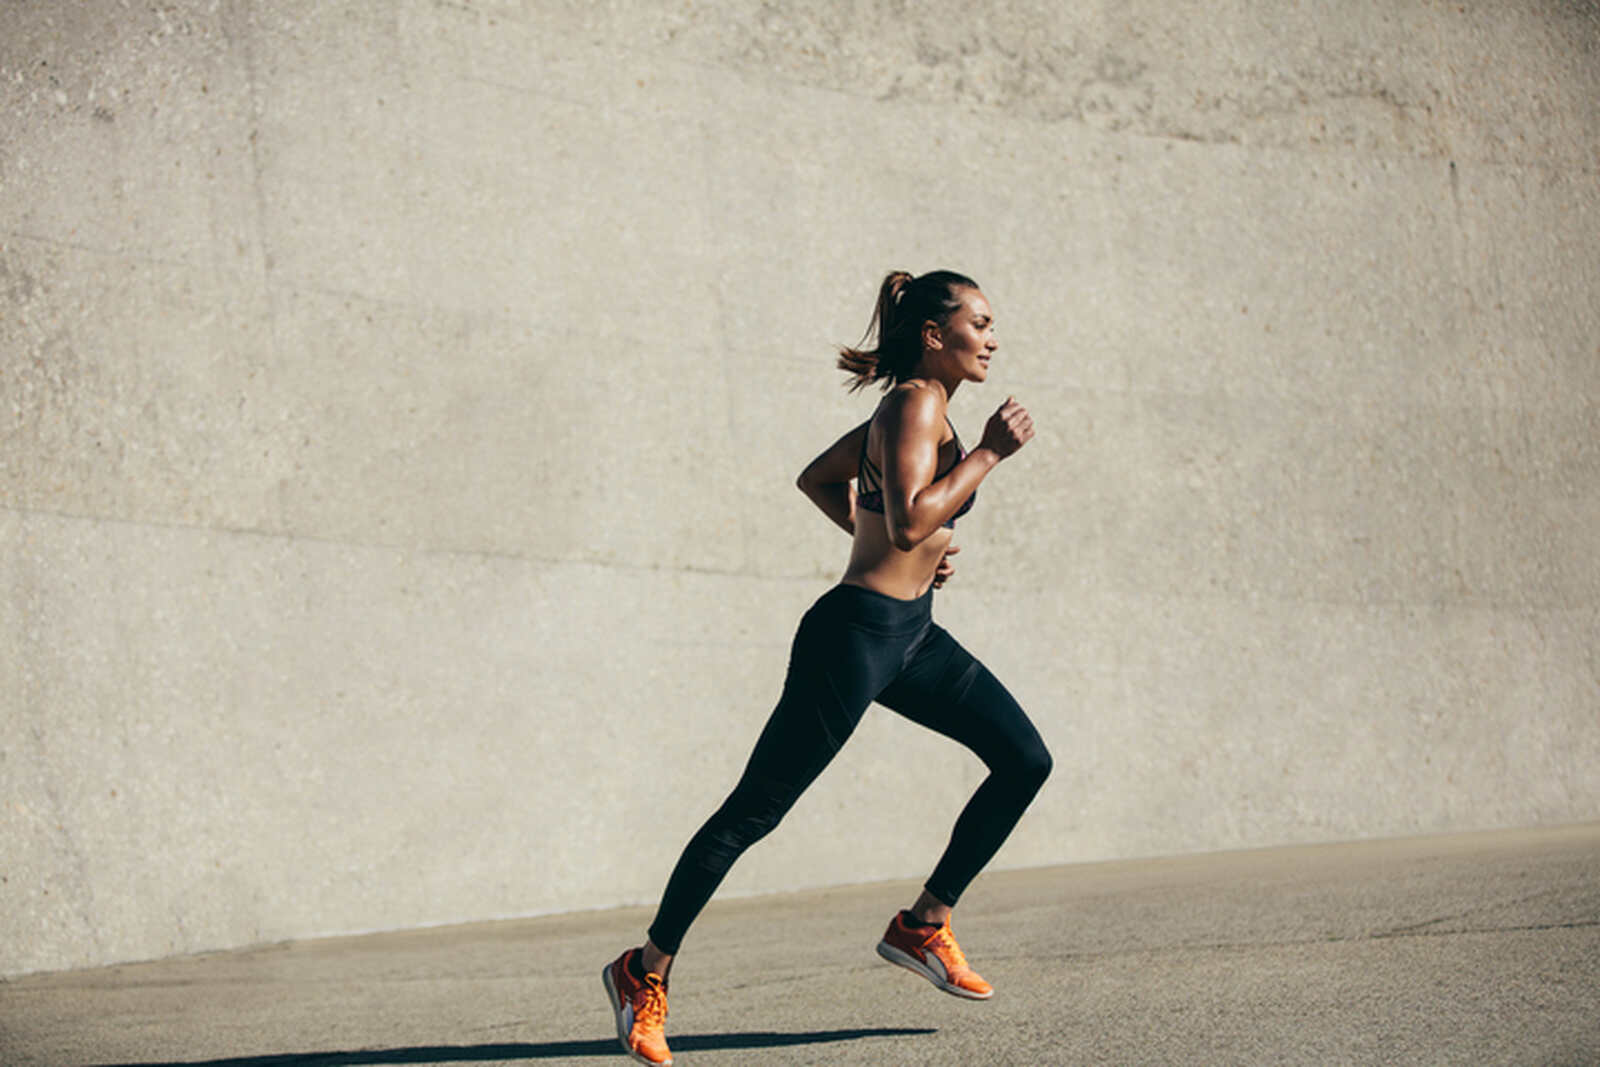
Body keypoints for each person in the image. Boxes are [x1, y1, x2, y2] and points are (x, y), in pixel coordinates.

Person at [602, 269, 1053, 1066]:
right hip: (854, 639)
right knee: (753, 811)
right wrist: (988, 454)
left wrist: (889, 543)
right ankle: (644, 971)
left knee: (1024, 758)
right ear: (933, 334)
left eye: (991, 325)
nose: (991, 337)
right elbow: (914, 517)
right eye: (978, 323)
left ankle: (922, 924)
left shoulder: (921, 409)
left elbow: (829, 483)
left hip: (911, 634)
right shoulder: (916, 403)